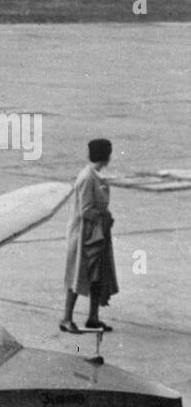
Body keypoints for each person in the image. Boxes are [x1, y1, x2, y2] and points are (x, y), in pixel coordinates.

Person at [61, 138, 119, 332]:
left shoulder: (94, 175)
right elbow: (86, 210)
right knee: (78, 275)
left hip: (96, 233)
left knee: (97, 275)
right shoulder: (87, 177)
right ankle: (66, 318)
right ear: (106, 156)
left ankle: (93, 317)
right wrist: (104, 218)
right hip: (84, 234)